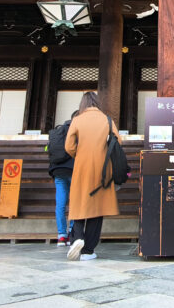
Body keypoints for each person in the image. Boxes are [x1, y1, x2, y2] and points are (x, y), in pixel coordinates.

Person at [64, 91, 121, 261]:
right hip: (103, 169)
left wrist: (79, 155)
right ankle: (88, 250)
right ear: (97, 102)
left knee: (79, 203)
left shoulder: (77, 120)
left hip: (82, 168)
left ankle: (77, 238)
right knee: (97, 208)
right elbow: (118, 141)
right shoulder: (107, 119)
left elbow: (68, 146)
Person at [47, 110, 78, 246]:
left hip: (57, 170)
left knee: (60, 203)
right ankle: (72, 230)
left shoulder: (57, 131)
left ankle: (61, 235)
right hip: (72, 169)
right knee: (74, 202)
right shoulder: (76, 131)